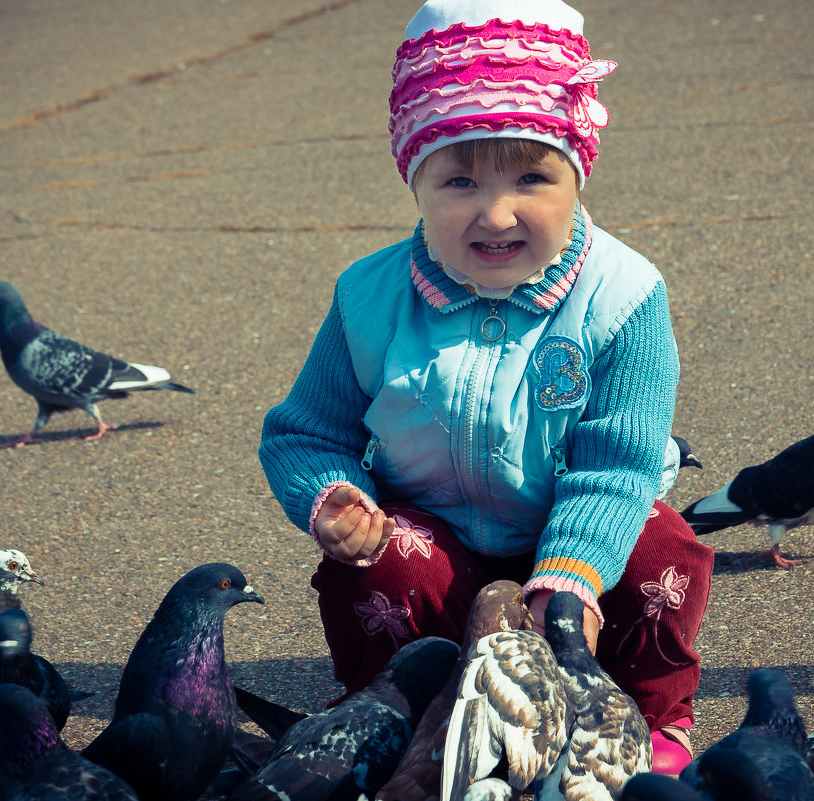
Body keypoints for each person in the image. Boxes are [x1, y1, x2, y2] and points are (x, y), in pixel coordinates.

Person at [258, 0, 712, 775]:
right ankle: (396, 706)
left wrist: (570, 577)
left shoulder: (625, 296)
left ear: (577, 173)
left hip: (581, 537)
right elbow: (306, 430)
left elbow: (617, 463)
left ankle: (642, 715)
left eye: (533, 175)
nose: (496, 211)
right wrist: (330, 493)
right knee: (378, 560)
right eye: (459, 178)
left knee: (662, 547)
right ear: (414, 180)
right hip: (437, 535)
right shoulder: (369, 296)